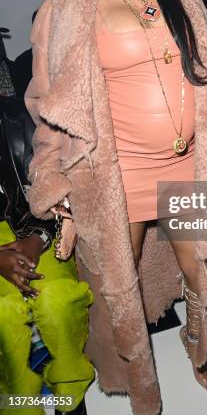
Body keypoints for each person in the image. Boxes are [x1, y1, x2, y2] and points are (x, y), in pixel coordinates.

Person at [25, 0, 207, 415]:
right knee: (119, 288)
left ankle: (199, 351)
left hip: (183, 162)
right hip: (118, 172)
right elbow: (47, 97)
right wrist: (53, 175)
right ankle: (141, 386)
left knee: (201, 269)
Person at [0, 96, 93, 415]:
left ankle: (69, 393)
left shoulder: (22, 116)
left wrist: (38, 237)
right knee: (4, 314)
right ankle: (18, 401)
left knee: (57, 299)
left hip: (32, 224)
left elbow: (54, 182)